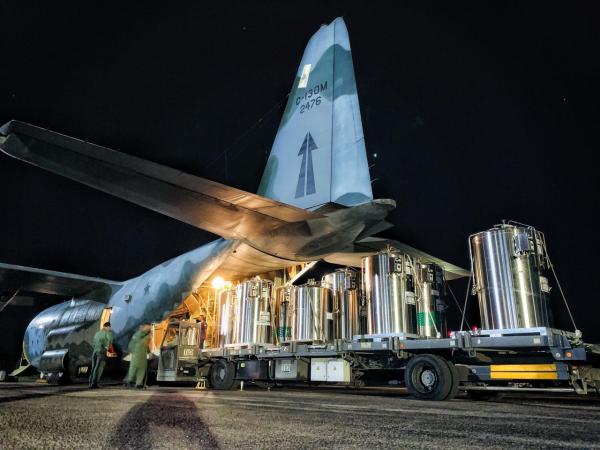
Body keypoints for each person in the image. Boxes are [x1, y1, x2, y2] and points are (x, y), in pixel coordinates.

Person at [124, 324, 151, 389]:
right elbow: (131, 345)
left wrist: (149, 352)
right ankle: (129, 381)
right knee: (135, 369)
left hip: (142, 356)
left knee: (141, 370)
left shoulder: (145, 336)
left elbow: (146, 345)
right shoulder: (138, 334)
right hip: (137, 355)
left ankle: (138, 383)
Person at [89, 322, 113, 388]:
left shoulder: (97, 333)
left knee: (93, 367)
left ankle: (90, 382)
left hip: (95, 351)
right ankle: (94, 383)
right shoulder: (108, 333)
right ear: (107, 327)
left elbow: (93, 343)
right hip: (101, 352)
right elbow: (110, 341)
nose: (110, 328)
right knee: (99, 368)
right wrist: (108, 348)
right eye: (109, 327)